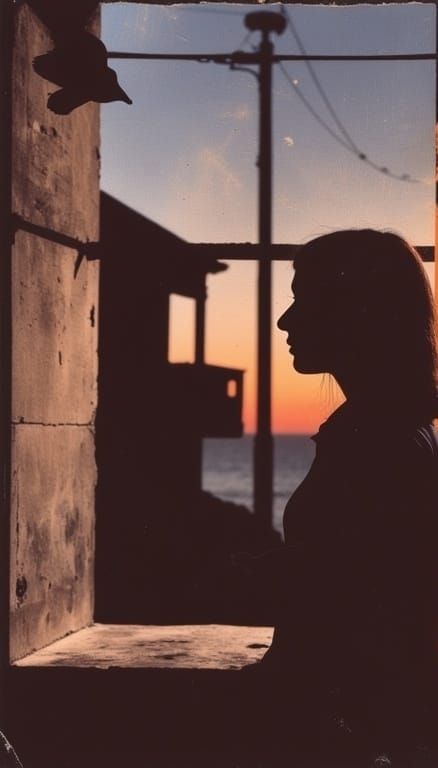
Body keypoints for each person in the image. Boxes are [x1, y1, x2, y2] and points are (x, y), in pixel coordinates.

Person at [239, 229, 438, 767]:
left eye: (304, 300)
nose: (285, 320)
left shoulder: (378, 441)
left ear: (357, 311)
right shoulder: (387, 428)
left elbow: (360, 598)